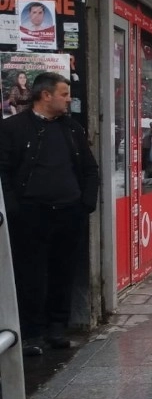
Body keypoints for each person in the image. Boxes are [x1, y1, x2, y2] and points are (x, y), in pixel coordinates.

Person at [0, 72, 98, 356]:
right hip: (30, 215)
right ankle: (31, 333)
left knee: (62, 271)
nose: (69, 99)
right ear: (46, 96)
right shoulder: (13, 128)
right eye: (64, 94)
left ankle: (57, 328)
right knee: (30, 274)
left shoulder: (72, 129)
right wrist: (13, 208)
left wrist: (86, 203)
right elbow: (3, 171)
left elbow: (89, 169)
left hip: (69, 212)